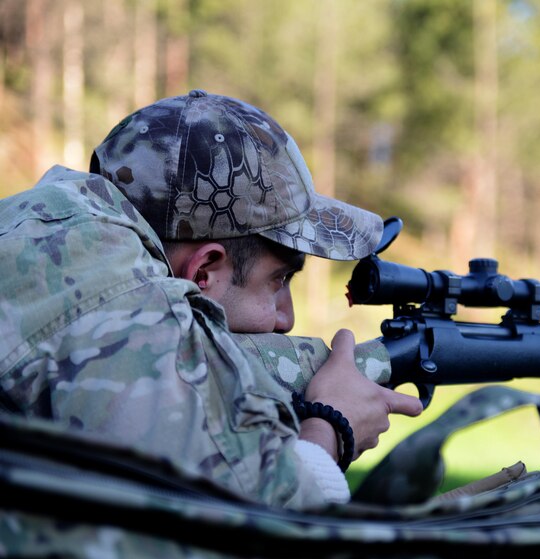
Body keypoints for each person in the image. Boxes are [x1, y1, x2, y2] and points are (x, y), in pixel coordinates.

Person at [0, 90, 423, 508]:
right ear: (203, 271)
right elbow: (248, 522)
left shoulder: (56, 235)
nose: (286, 319)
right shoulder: (116, 295)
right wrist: (332, 425)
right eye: (280, 279)